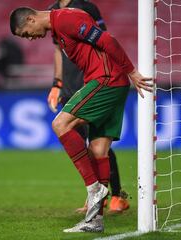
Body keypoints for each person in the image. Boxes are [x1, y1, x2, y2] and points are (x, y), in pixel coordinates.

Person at [9, 7, 152, 232]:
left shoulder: (66, 19)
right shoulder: (57, 30)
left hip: (106, 79)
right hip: (110, 82)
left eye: (26, 33)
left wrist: (131, 71)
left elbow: (107, 39)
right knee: (98, 151)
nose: (30, 39)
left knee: (60, 124)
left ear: (30, 18)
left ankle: (94, 188)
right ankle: (95, 220)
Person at [47, 0, 130, 214]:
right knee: (84, 142)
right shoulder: (51, 12)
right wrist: (57, 83)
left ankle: (117, 194)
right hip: (69, 86)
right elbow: (57, 50)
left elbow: (102, 42)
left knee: (98, 143)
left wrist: (108, 77)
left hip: (92, 81)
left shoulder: (86, 8)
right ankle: (96, 198)